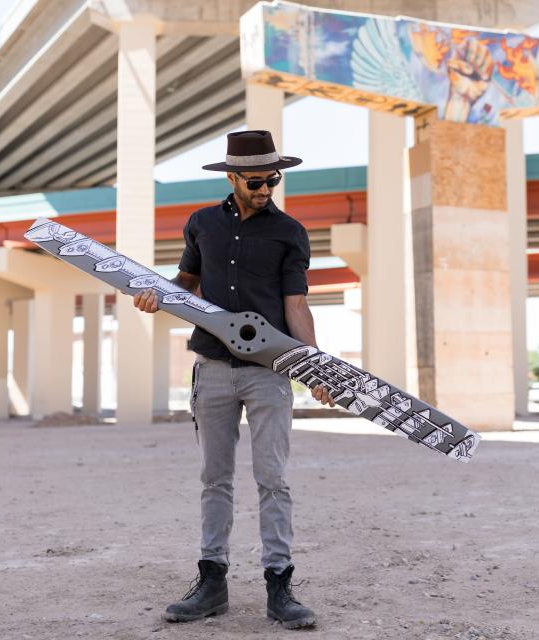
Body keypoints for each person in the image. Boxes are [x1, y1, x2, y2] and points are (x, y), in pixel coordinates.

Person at [132, 130, 334, 630]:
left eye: (273, 179)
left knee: (273, 479)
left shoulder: (289, 232)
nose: (267, 188)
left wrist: (315, 368)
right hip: (213, 369)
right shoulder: (202, 224)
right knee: (214, 480)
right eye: (257, 180)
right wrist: (155, 295)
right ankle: (211, 583)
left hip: (270, 374)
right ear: (234, 178)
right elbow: (187, 285)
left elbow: (296, 305)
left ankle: (279, 587)